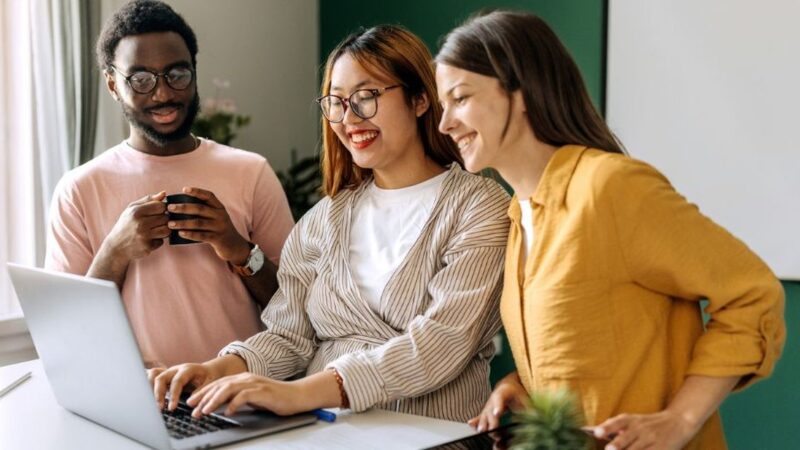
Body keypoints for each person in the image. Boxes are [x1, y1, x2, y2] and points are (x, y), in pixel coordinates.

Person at [435, 10, 785, 450]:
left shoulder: (609, 188)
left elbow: (752, 294)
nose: (445, 123)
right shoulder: (518, 215)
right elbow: (589, 340)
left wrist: (679, 420)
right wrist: (522, 384)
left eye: (460, 98)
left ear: (519, 91)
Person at [149, 25, 510, 422]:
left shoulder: (481, 207)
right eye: (336, 102)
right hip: (325, 430)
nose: (348, 117)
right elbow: (289, 337)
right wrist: (214, 371)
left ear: (420, 99)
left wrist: (298, 394)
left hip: (431, 434)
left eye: (366, 96)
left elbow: (440, 345)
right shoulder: (325, 218)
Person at [45, 0, 294, 368]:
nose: (163, 94)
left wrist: (237, 248)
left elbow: (297, 308)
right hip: (136, 399)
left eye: (177, 74)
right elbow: (62, 327)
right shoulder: (79, 189)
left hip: (241, 393)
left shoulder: (250, 172)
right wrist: (114, 253)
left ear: (194, 72)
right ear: (113, 84)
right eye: (141, 80)